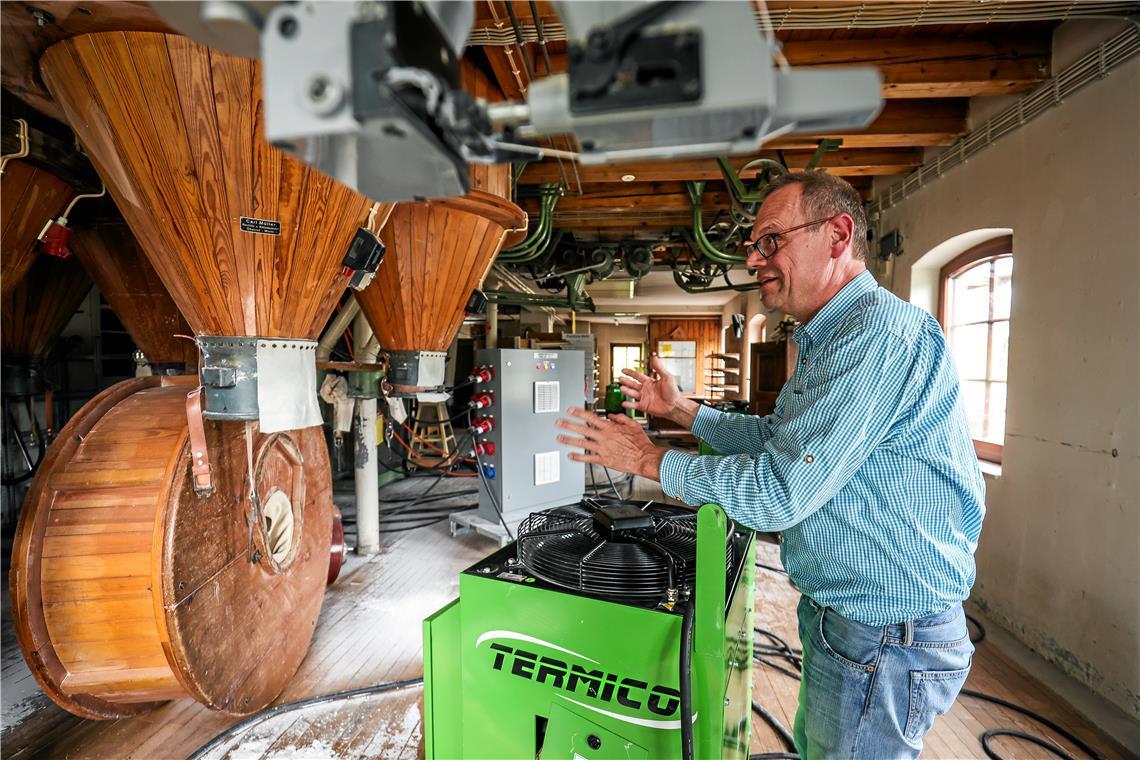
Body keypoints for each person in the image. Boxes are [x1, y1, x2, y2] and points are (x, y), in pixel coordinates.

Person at [556, 171, 985, 758]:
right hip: (853, 619)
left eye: (771, 241)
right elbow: (777, 439)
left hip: (886, 632)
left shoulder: (875, 335)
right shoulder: (830, 337)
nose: (756, 261)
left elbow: (781, 489)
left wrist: (650, 459)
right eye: (755, 246)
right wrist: (682, 410)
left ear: (837, 236)